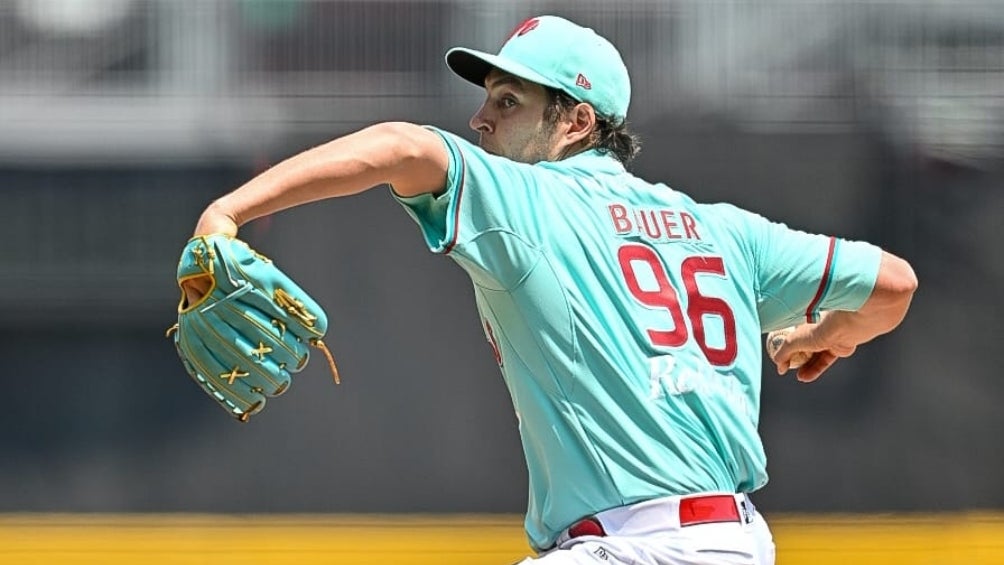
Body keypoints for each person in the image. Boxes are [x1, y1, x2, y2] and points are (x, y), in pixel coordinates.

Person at [184, 15, 917, 565]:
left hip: (629, 549)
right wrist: (832, 332)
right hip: (738, 541)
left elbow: (403, 147)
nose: (480, 117)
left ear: (575, 122)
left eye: (507, 101)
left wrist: (231, 211)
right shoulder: (723, 230)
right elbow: (894, 284)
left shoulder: (530, 203)